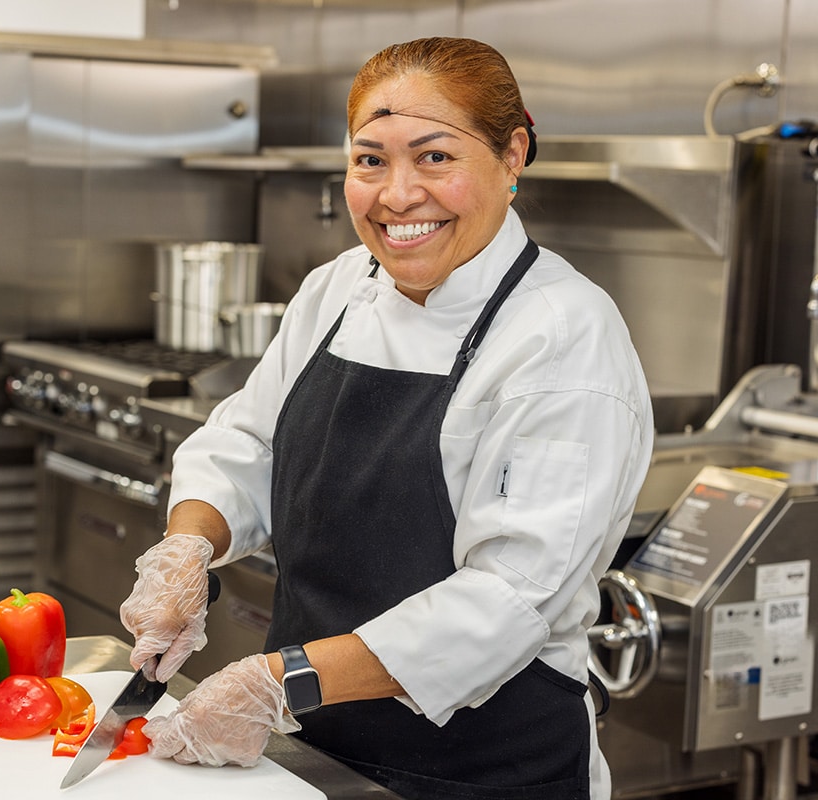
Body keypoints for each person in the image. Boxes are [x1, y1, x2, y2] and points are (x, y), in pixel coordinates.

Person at [119, 36, 654, 800]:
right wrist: (186, 551)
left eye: (435, 157)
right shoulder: (339, 288)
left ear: (513, 156)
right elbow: (248, 439)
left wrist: (280, 681)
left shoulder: (563, 337)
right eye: (370, 160)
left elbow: (506, 597)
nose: (397, 195)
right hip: (316, 746)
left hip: (487, 769)